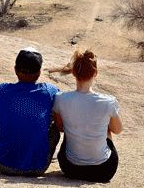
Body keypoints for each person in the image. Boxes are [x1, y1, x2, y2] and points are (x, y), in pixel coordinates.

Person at [52, 49, 123, 183]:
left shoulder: (60, 99)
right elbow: (117, 130)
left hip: (70, 168)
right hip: (104, 171)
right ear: (95, 73)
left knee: (71, 127)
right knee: (106, 127)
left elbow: (61, 128)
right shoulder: (108, 101)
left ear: (73, 72)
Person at [0, 47, 60, 176]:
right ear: (39, 73)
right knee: (55, 109)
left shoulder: (1, 90)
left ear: (15, 69)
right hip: (38, 166)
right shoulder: (49, 90)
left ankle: (6, 145)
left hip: (3, 164)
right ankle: (44, 150)